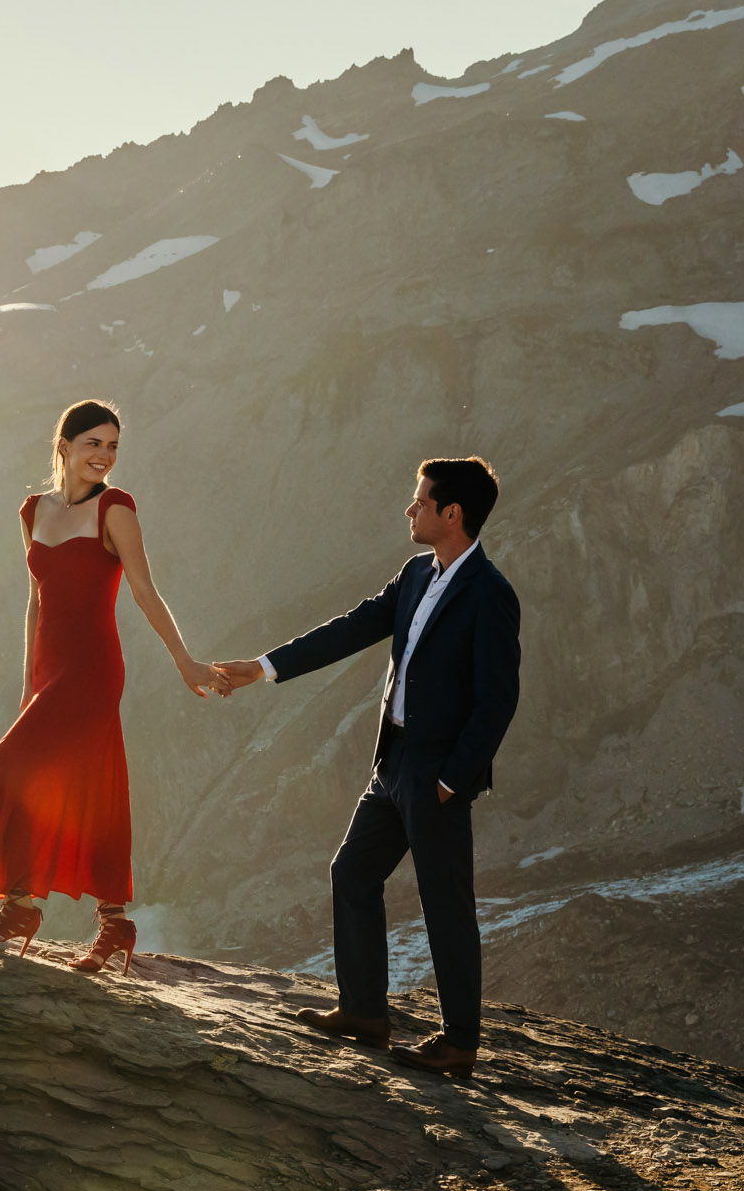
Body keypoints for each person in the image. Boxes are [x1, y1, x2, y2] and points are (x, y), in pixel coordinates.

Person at [212, 458, 520, 1080]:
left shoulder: (491, 594)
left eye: (420, 501)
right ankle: (364, 1014)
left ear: (451, 513)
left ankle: (460, 1042)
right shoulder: (413, 575)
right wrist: (264, 667)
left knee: (445, 904)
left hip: (435, 774)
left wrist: (451, 779)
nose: (410, 510)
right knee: (352, 872)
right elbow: (352, 628)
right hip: (394, 762)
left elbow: (498, 700)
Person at [0, 399, 222, 975]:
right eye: (93, 444)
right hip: (51, 671)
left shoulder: (117, 508)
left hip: (93, 668)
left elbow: (145, 591)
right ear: (65, 446)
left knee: (1, 772)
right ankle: (113, 921)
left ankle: (22, 907)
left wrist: (185, 662)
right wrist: (31, 681)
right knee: (83, 785)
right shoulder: (33, 511)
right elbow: (36, 601)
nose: (104, 456)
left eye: (112, 447)